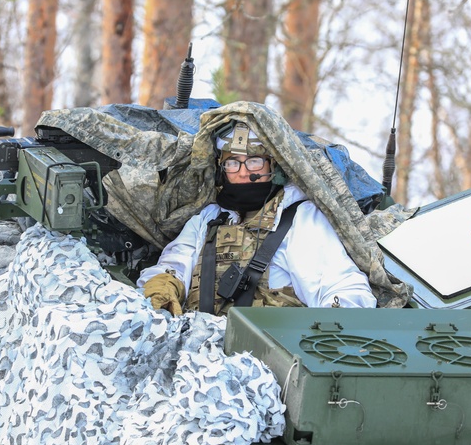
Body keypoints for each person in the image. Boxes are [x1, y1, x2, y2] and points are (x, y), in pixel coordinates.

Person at [137, 120, 376, 316]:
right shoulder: (209, 218)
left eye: (253, 161)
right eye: (232, 163)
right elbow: (175, 264)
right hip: (200, 351)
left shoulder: (298, 217)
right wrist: (163, 286)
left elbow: (339, 285)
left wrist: (334, 326)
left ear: (273, 165)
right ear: (222, 169)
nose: (243, 172)